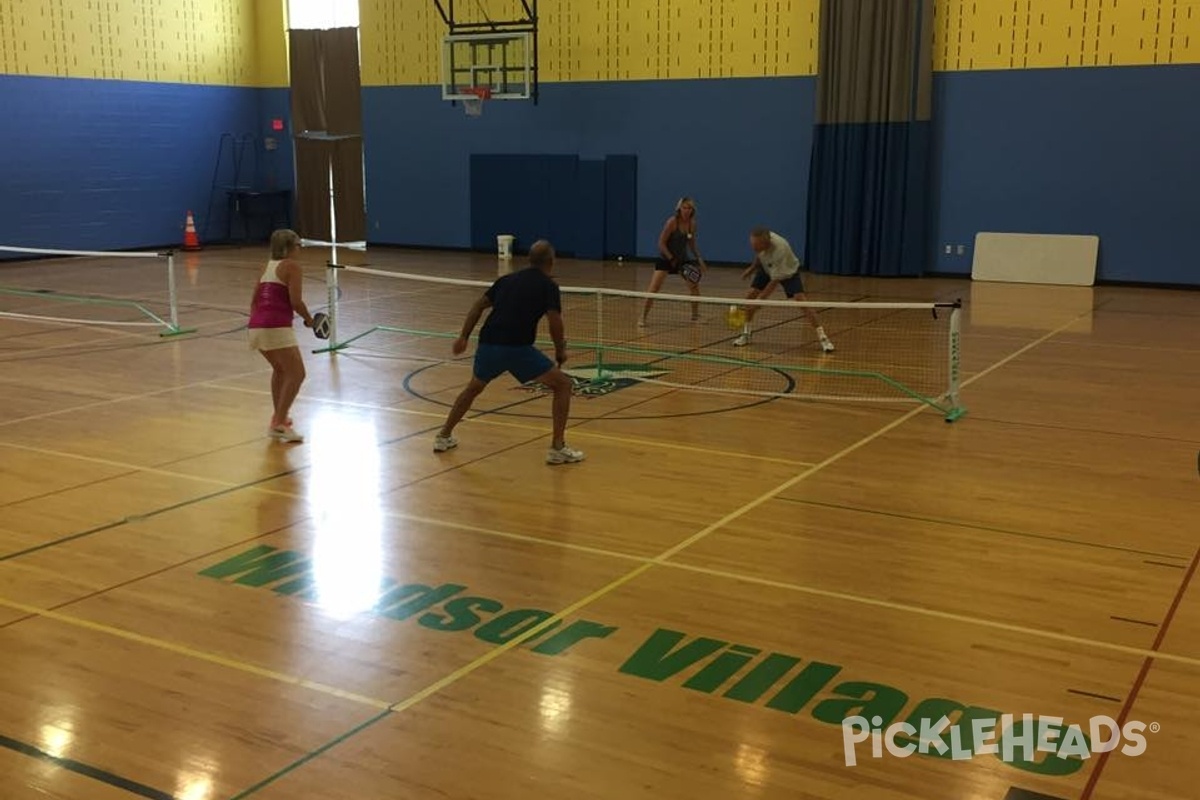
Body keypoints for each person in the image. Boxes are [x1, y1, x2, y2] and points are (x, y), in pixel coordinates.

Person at [434, 240, 585, 465]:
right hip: (517, 348)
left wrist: (464, 337)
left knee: (473, 388)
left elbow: (477, 306)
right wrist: (560, 350)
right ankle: (557, 448)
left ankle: (443, 436)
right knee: (563, 385)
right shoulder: (548, 286)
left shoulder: (507, 280)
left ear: (529, 260)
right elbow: (555, 320)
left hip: (488, 344)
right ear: (551, 263)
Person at [247, 228, 315, 443]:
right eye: (298, 245)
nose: (300, 249)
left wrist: (259, 322)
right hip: (276, 326)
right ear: (288, 247)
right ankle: (279, 421)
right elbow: (296, 301)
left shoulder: (266, 266)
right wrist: (310, 320)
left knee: (280, 370)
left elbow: (254, 301)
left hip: (256, 326)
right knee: (297, 374)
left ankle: (278, 421)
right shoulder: (292, 267)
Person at [734, 226, 834, 352]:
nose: (753, 247)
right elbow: (760, 254)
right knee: (749, 297)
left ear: (765, 242)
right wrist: (752, 268)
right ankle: (746, 333)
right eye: (752, 244)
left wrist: (760, 302)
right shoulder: (761, 241)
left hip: (788, 272)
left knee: (802, 301)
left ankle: (823, 337)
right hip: (767, 268)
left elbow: (774, 282)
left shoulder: (780, 250)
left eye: (756, 245)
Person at [638, 197, 708, 327]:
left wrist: (699, 258)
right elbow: (661, 243)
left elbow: (692, 243)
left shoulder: (692, 224)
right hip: (666, 258)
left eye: (689, 208)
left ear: (693, 210)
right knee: (653, 289)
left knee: (694, 285)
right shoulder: (672, 222)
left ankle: (695, 316)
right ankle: (643, 316)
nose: (687, 210)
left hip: (683, 259)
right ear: (679, 209)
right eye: (684, 208)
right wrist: (671, 258)